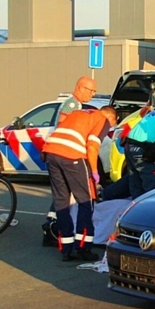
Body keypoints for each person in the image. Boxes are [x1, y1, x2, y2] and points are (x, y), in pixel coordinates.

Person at [43, 106, 117, 261]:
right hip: (72, 156)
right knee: (86, 201)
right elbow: (92, 146)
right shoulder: (102, 120)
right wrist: (95, 172)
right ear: (111, 118)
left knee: (62, 202)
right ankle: (83, 247)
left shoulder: (79, 113)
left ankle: (65, 248)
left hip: (51, 153)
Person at [41, 75, 100, 241]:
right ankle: (52, 225)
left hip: (56, 152)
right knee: (69, 195)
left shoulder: (75, 103)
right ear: (81, 87)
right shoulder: (72, 104)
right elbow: (63, 124)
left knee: (61, 195)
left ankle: (56, 229)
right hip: (66, 152)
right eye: (91, 90)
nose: (92, 94)